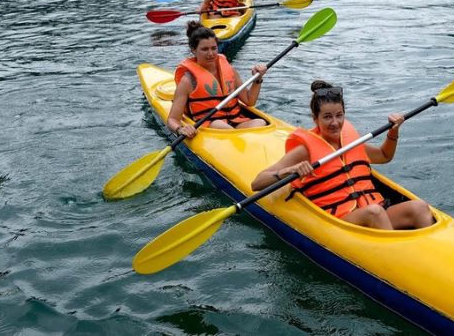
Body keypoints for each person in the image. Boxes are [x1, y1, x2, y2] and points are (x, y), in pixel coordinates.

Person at [251, 81, 434, 230]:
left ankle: (429, 256)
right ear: (315, 119)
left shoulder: (350, 142)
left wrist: (393, 132)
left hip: (375, 207)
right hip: (342, 218)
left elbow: (384, 156)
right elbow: (257, 183)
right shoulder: (304, 150)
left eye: (339, 115)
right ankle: (399, 262)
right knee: (374, 213)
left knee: (419, 207)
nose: (335, 122)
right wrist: (289, 171)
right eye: (327, 117)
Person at [167, 22, 268, 134]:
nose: (211, 53)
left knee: (260, 122)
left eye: (214, 48)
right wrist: (180, 129)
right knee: (220, 125)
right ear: (193, 50)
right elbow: (172, 119)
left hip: (236, 121)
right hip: (211, 126)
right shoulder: (188, 80)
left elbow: (249, 101)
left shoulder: (229, 70)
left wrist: (257, 79)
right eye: (205, 49)